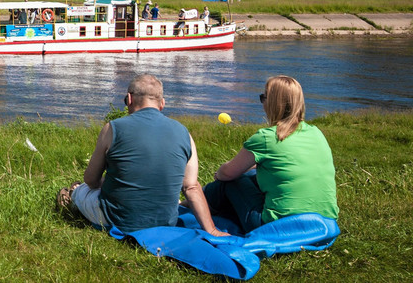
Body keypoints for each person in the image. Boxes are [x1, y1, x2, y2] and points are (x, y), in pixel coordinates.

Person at [57, 74, 227, 236]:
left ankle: (71, 196)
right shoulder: (184, 133)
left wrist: (108, 182)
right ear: (162, 104)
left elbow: (91, 180)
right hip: (165, 221)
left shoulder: (112, 128)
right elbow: (191, 187)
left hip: (117, 219)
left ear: (129, 100)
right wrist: (211, 230)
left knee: (81, 189)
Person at [202, 76, 338, 232]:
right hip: (324, 223)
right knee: (252, 174)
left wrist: (219, 174)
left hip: (276, 227)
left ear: (273, 103)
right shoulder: (316, 133)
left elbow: (227, 174)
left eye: (263, 97)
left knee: (233, 181)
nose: (262, 103)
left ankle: (194, 205)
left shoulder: (266, 138)